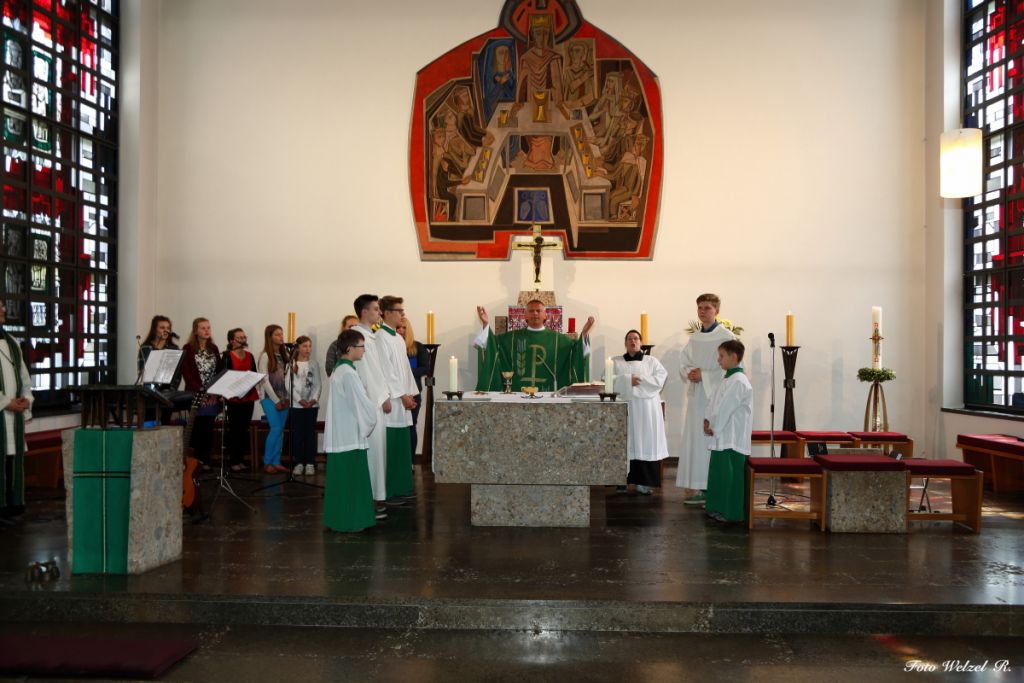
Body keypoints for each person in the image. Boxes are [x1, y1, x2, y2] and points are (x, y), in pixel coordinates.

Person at [676, 293, 736, 506]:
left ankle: (712, 488)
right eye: (700, 307)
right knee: (696, 441)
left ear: (717, 311)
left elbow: (734, 367)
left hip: (715, 397)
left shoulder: (726, 337)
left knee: (709, 441)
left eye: (707, 308)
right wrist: (690, 372)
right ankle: (700, 486)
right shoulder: (695, 338)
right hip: (696, 398)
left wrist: (706, 375)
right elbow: (683, 361)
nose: (702, 311)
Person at [323, 329, 384, 532]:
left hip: (341, 434)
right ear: (350, 349)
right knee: (352, 480)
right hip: (349, 435)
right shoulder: (348, 373)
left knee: (341, 481)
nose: (364, 350)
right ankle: (353, 522)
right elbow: (361, 404)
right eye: (361, 346)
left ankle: (338, 520)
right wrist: (374, 413)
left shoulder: (340, 370)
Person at [474, 300, 593, 392]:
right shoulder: (511, 338)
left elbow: (576, 353)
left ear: (545, 315)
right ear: (525, 316)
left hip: (549, 395)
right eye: (531, 311)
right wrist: (485, 324)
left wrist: (584, 334)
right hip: (518, 394)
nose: (535, 313)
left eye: (538, 311)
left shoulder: (560, 340)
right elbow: (493, 345)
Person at [612, 330, 669, 495]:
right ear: (625, 343)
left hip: (647, 409)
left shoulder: (652, 361)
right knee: (624, 442)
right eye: (629, 339)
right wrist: (627, 380)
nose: (633, 341)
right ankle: (621, 481)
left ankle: (644, 483)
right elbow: (606, 380)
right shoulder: (615, 362)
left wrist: (638, 381)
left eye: (636, 338)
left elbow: (660, 378)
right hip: (624, 408)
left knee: (645, 442)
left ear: (641, 343)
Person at [703, 340, 753, 523]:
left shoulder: (739, 380)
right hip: (721, 434)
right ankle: (716, 507)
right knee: (719, 473)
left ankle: (731, 512)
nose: (719, 359)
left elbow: (726, 408)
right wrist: (707, 420)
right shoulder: (727, 378)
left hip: (732, 437)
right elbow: (714, 401)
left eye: (722, 356)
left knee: (730, 476)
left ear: (734, 357)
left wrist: (713, 426)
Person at [352, 294, 393, 514]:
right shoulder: (359, 337)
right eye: (376, 309)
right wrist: (382, 397)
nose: (379, 312)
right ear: (364, 311)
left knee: (378, 452)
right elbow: (369, 373)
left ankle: (376, 496)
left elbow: (380, 370)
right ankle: (371, 499)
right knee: (373, 452)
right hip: (370, 403)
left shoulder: (371, 336)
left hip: (375, 400)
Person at [377, 296, 419, 501]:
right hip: (392, 401)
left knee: (402, 445)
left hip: (402, 400)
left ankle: (402, 487)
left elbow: (405, 370)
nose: (403, 314)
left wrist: (410, 394)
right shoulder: (380, 338)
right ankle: (390, 490)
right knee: (392, 447)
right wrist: (402, 395)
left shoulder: (398, 339)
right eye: (399, 311)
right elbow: (387, 371)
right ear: (386, 313)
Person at [0, 301, 33, 522]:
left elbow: (24, 377)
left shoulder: (12, 342)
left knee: (11, 461)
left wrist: (26, 399)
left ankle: (11, 507)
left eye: (3, 306)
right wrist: (5, 402)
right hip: (2, 411)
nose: (3, 310)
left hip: (13, 416)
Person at [180, 317, 221, 465]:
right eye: (203, 328)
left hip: (212, 396)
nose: (207, 330)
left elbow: (218, 372)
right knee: (197, 429)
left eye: (208, 327)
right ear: (195, 331)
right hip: (195, 395)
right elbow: (187, 374)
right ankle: (195, 463)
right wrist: (200, 393)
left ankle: (205, 461)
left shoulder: (214, 348)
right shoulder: (188, 348)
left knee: (208, 429)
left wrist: (214, 393)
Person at [220, 328, 258, 473]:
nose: (243, 340)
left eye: (244, 337)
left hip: (248, 397)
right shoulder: (227, 356)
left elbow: (254, 374)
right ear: (231, 341)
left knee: (243, 429)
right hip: (234, 398)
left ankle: (241, 460)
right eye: (239, 338)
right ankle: (233, 461)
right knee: (234, 429)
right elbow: (223, 376)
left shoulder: (250, 355)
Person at [257, 324, 290, 475]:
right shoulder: (265, 356)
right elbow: (264, 380)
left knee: (280, 430)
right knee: (275, 428)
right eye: (277, 334)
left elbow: (286, 378)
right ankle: (267, 462)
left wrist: (287, 398)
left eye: (281, 334)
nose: (281, 337)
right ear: (269, 337)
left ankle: (276, 461)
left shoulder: (284, 355)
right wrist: (276, 400)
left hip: (284, 397)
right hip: (269, 398)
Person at [289, 335, 322, 476]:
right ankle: (298, 463)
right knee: (298, 435)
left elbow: (318, 384)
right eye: (304, 346)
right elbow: (288, 385)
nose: (308, 349)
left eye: (309, 346)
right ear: (298, 348)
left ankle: (309, 463)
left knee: (309, 434)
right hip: (297, 406)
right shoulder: (291, 364)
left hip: (311, 406)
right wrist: (299, 400)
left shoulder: (314, 363)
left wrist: (313, 399)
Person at [397, 316, 430, 456]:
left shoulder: (418, 347)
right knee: (397, 429)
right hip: (396, 394)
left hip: (413, 394)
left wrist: (406, 371)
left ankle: (410, 460)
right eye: (398, 327)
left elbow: (426, 368)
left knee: (411, 426)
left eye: (404, 328)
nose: (401, 330)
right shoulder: (391, 346)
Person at [138, 315, 180, 385]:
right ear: (154, 330)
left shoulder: (174, 348)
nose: (166, 331)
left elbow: (177, 373)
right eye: (162, 328)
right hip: (149, 388)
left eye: (168, 328)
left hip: (168, 388)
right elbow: (142, 371)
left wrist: (171, 388)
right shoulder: (146, 348)